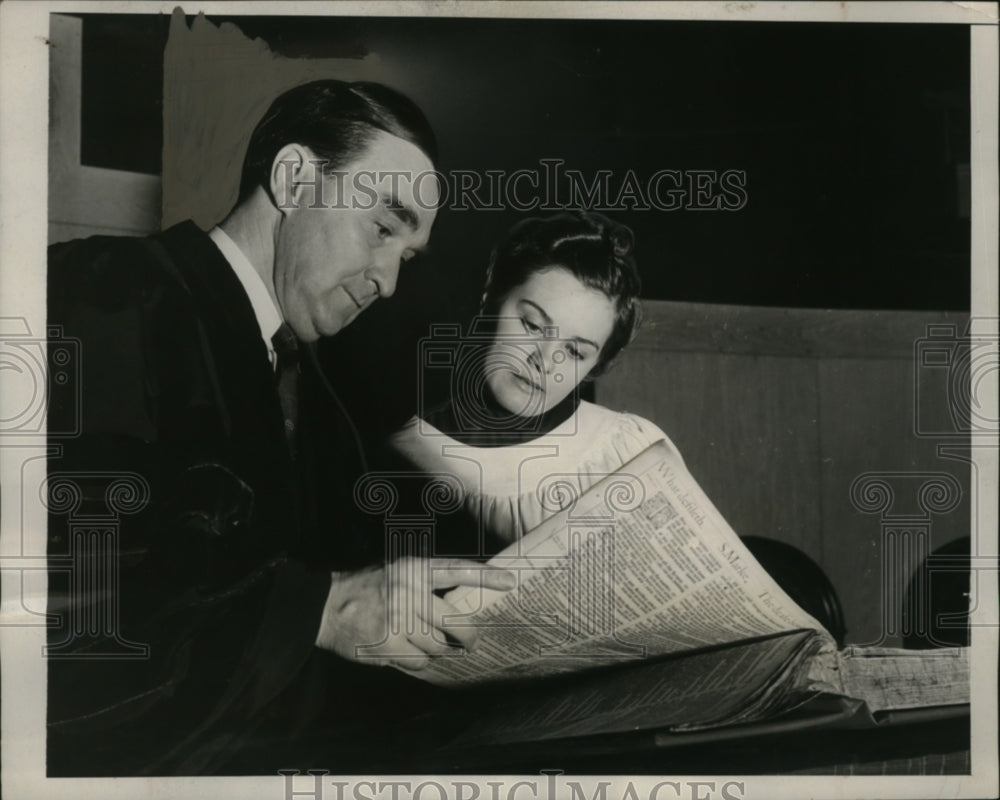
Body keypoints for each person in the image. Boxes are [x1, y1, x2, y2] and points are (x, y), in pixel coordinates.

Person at [46, 79, 513, 776]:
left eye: (407, 258)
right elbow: (72, 612)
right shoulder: (108, 294)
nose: (388, 281)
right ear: (293, 178)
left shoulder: (307, 377)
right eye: (382, 229)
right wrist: (320, 611)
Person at [390, 211, 683, 554]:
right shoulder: (402, 450)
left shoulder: (628, 452)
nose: (544, 362)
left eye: (575, 351)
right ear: (491, 302)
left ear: (596, 365)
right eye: (532, 325)